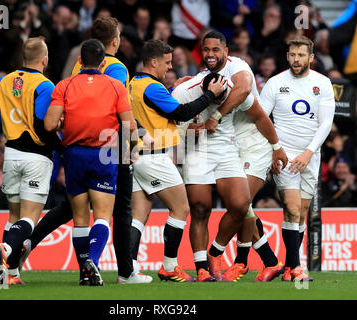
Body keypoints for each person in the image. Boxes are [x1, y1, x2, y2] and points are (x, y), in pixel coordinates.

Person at [21, 17, 152, 285]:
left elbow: (53, 121)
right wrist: (133, 146)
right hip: (108, 150)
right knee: (117, 211)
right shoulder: (115, 73)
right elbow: (121, 118)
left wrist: (65, 131)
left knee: (75, 212)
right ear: (113, 44)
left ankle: (29, 243)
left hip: (74, 151)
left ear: (81, 59)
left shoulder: (67, 81)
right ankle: (122, 271)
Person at [173, 56, 287, 283]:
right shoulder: (190, 89)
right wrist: (188, 131)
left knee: (242, 205)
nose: (222, 105)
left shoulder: (237, 85)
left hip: (247, 146)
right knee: (209, 209)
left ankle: (222, 254)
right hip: (216, 149)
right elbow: (173, 126)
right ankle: (260, 262)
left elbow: (258, 112)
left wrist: (277, 148)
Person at [128, 39, 226, 282]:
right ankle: (170, 267)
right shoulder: (153, 87)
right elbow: (182, 113)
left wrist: (172, 92)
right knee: (181, 208)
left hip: (135, 156)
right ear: (153, 62)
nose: (169, 69)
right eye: (167, 63)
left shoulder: (133, 84)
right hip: (154, 157)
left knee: (139, 216)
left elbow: (152, 110)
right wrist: (210, 95)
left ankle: (127, 269)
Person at [44, 39, 137, 286]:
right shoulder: (116, 86)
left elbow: (49, 125)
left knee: (80, 218)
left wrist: (67, 123)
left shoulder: (64, 85)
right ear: (104, 62)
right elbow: (130, 126)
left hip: (73, 155)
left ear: (79, 61)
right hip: (104, 154)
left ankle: (85, 273)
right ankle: (92, 263)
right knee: (104, 216)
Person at [0, 37, 62, 288]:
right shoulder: (44, 85)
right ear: (44, 59)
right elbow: (42, 124)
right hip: (36, 156)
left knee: (13, 216)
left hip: (11, 154)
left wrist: (4, 125)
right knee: (29, 218)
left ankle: (10, 272)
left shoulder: (5, 80)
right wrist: (61, 148)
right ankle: (4, 249)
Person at [260, 35, 335, 281]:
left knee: (300, 213)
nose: (296, 59)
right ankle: (296, 268)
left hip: (310, 154)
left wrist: (309, 152)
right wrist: (273, 149)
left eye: (301, 55)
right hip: (285, 153)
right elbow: (261, 119)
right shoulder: (274, 83)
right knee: (291, 208)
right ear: (287, 56)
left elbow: (325, 124)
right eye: (292, 55)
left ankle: (290, 269)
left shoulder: (322, 83)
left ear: (311, 58)